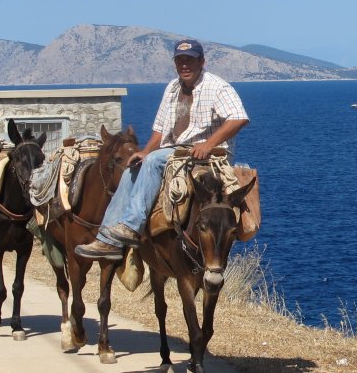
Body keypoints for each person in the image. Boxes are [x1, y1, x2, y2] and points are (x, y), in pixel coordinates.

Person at [75, 39, 249, 260]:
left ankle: (131, 225)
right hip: (174, 151)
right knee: (133, 167)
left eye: (190, 60)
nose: (185, 65)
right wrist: (145, 151)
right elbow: (160, 130)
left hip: (204, 154)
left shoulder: (217, 87)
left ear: (201, 61)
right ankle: (108, 240)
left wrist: (208, 144)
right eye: (180, 61)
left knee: (153, 161)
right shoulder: (172, 88)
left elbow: (238, 118)